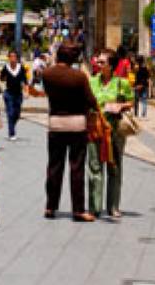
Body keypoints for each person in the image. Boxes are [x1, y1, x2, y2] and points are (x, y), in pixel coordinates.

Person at [42, 42, 98, 222]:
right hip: (76, 124)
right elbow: (91, 101)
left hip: (56, 123)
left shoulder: (47, 74)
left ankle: (50, 206)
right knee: (77, 168)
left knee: (54, 166)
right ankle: (78, 210)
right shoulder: (79, 76)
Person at [88, 55, 134, 219]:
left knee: (114, 168)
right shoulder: (92, 81)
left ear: (111, 65)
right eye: (97, 61)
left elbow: (130, 102)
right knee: (94, 166)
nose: (98, 64)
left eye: (102, 62)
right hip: (95, 128)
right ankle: (94, 207)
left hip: (114, 130)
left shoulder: (122, 83)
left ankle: (113, 206)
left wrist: (118, 106)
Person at [0, 50, 27, 141]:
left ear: (17, 58)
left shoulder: (21, 68)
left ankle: (12, 125)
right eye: (11, 56)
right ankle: (12, 133)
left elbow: (24, 81)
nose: (13, 58)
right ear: (8, 58)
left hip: (18, 94)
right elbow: (2, 78)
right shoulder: (6, 67)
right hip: (8, 93)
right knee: (10, 113)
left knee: (17, 114)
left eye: (14, 56)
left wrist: (26, 91)